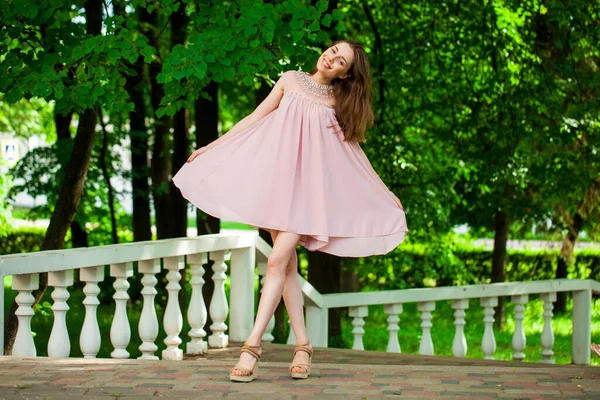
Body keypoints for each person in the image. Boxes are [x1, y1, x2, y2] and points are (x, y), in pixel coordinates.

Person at [172, 39, 408, 382]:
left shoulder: (337, 103)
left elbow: (356, 154)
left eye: (340, 61)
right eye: (332, 51)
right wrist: (212, 146)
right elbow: (254, 118)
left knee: (274, 261)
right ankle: (303, 345)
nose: (331, 58)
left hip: (310, 195)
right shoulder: (290, 79)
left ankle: (251, 348)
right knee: (287, 266)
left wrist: (385, 191)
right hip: (278, 184)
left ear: (346, 73)